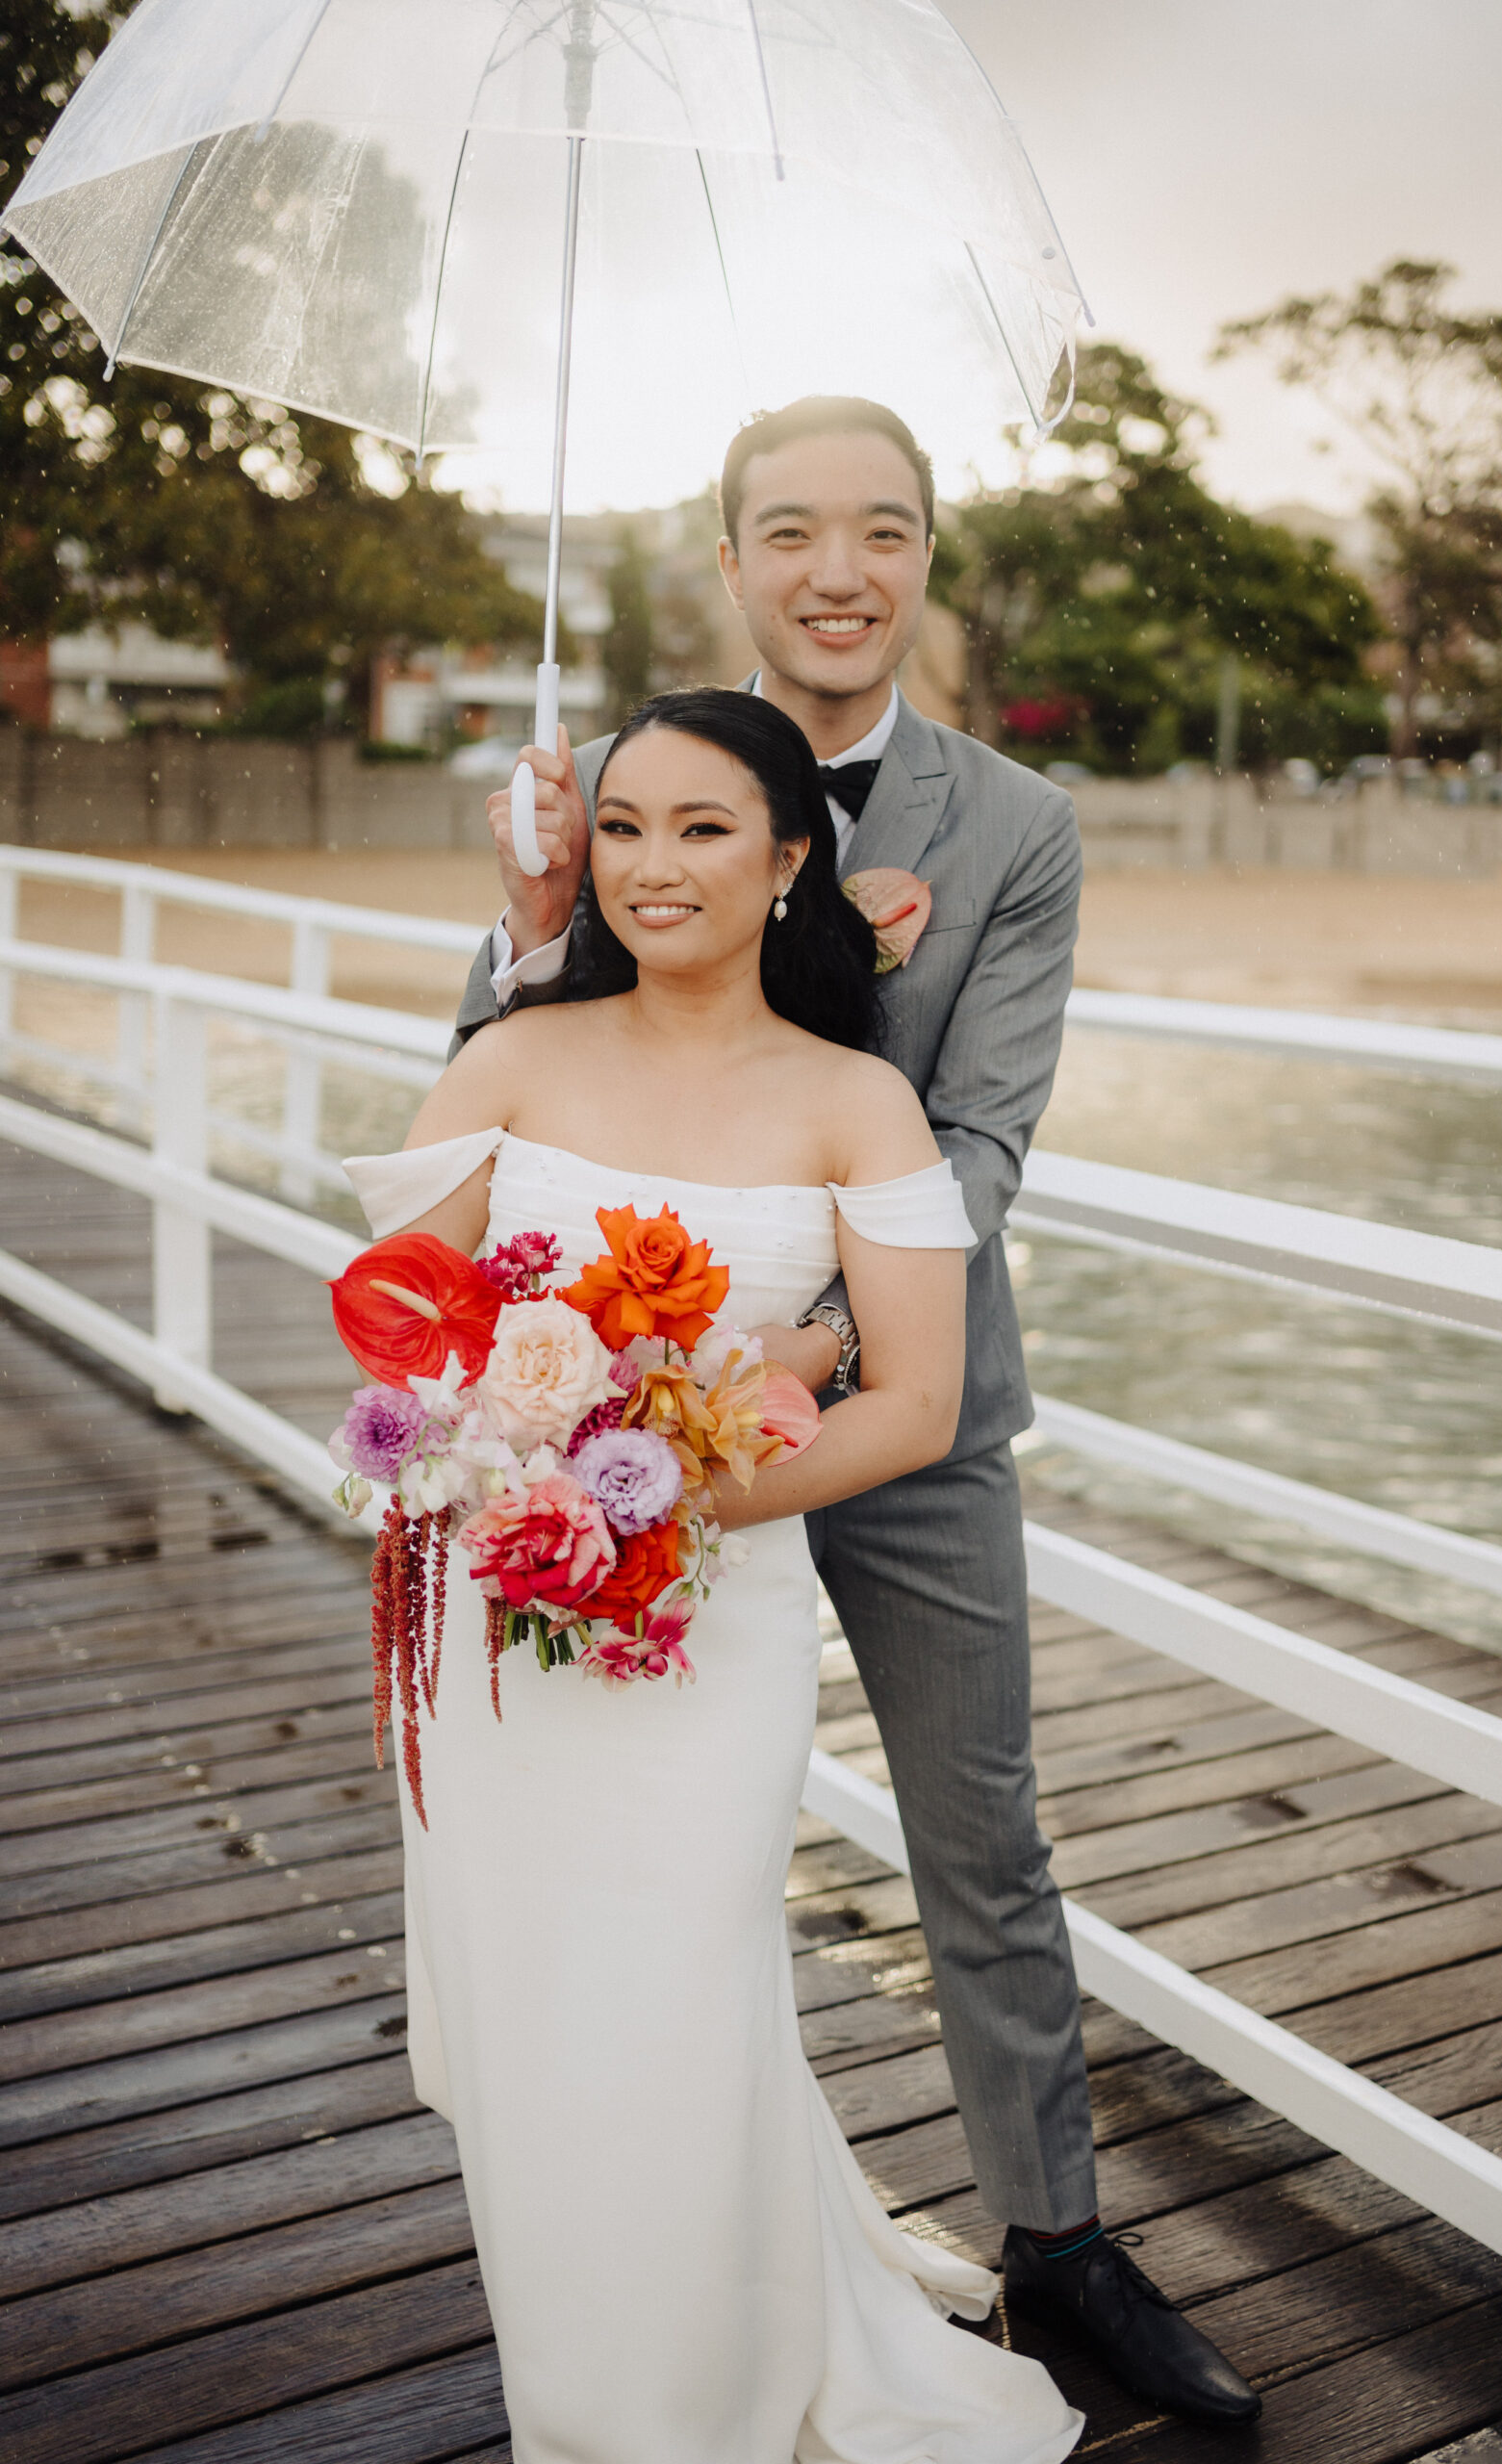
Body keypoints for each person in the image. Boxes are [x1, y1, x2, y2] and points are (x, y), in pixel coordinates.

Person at [450, 398, 1260, 2430]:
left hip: (893, 1398)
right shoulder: (634, 785)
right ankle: (671, 2231)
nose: (834, 566)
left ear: (922, 562)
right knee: (647, 1856)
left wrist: (812, 1339)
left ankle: (1057, 2243)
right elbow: (498, 1087)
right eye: (787, 529)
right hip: (615, 1421)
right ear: (728, 560)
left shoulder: (1014, 827)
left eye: (880, 529)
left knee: (977, 1828)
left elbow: (980, 1132)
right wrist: (535, 913)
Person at [344, 689, 1084, 2461]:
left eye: (701, 828)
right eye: (622, 828)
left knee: (674, 2000)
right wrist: (503, 1452)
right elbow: (393, 1317)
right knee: (539, 2025)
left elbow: (909, 1402)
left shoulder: (857, 1101)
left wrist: (664, 1514)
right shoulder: (517, 1056)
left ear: (787, 859)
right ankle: (588, 2397)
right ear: (575, 853)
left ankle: (683, 2415)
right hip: (498, 1639)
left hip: (706, 1632)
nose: (656, 865)